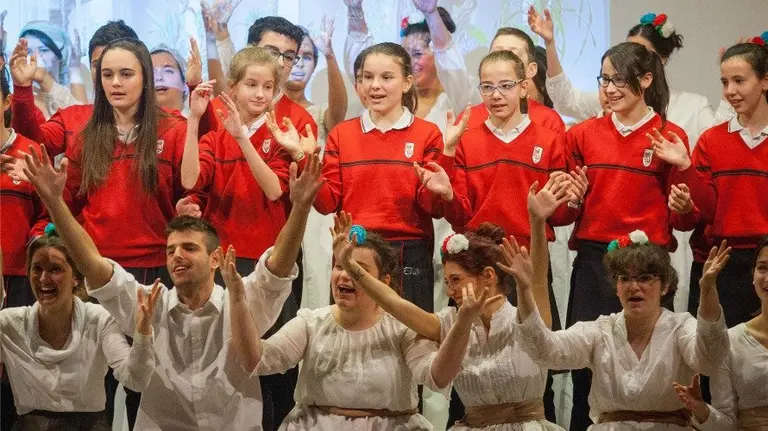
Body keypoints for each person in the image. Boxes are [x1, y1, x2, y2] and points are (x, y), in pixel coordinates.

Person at [23, 140, 321, 430]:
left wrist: (301, 208)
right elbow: (93, 265)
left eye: (189, 248)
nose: (177, 255)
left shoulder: (240, 300)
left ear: (215, 258)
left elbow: (278, 267)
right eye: (170, 250)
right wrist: (54, 202)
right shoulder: (150, 304)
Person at [326, 176, 570, 430]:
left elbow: (539, 280)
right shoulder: (449, 323)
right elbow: (394, 304)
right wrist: (351, 267)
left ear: (487, 276)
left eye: (456, 280)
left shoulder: (526, 318)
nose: (450, 290)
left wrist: (537, 220)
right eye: (446, 281)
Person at [224, 211, 486, 430]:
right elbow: (255, 360)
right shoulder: (311, 322)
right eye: (339, 266)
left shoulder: (402, 329)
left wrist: (461, 326)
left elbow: (437, 377)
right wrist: (237, 301)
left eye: (356, 268)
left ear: (382, 282)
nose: (344, 275)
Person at [563, 41, 698, 429]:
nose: (609, 88)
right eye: (604, 79)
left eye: (618, 79)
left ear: (646, 79)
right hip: (593, 262)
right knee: (584, 366)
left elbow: (686, 221)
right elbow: (563, 209)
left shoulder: (669, 136)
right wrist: (571, 200)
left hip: (647, 264)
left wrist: (684, 172)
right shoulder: (583, 135)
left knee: (658, 362)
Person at [513, 222, 730, 430]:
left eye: (645, 278)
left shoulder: (681, 327)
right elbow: (546, 352)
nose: (633, 287)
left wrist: (708, 290)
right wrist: (524, 289)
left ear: (664, 286)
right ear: (616, 287)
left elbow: (709, 360)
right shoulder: (600, 331)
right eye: (624, 279)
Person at [0, 224, 159, 430]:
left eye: (55, 269)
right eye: (36, 269)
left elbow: (135, 380)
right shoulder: (9, 324)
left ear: (76, 277)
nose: (43, 279)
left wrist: (143, 334)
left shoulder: (100, 320)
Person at [657, 38, 768, 328]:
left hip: (765, 261)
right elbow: (703, 212)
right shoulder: (712, 139)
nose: (730, 91)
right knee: (712, 359)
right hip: (719, 263)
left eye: (739, 81)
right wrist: (685, 180)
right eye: (724, 82)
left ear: (765, 81)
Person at [181, 46, 296, 276]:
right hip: (219, 252)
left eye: (267, 87)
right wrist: (194, 118)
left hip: (267, 255)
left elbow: (274, 191)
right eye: (251, 84)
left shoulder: (281, 135)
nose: (260, 94)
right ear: (232, 88)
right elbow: (189, 181)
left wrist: (242, 138)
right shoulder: (215, 138)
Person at [282, 20, 348, 309]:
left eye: (307, 57)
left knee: (315, 285)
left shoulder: (320, 113)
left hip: (314, 212)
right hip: (275, 207)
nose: (298, 64)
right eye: (292, 56)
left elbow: (339, 109)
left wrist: (331, 55)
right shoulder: (262, 107)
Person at [674, 236, 768, 430]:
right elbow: (725, 423)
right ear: (752, 275)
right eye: (763, 268)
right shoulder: (732, 341)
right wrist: (701, 409)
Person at [9, 20, 139, 155]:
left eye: (124, 71)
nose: (111, 78)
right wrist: (22, 88)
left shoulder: (161, 125)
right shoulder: (74, 118)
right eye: (98, 65)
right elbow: (32, 142)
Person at [0, 66, 45, 308]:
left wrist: (35, 238)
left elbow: (47, 213)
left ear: (7, 101)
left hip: (18, 276)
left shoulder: (31, 152)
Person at [18, 21, 88, 117]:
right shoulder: (21, 99)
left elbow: (83, 119)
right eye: (28, 51)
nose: (35, 56)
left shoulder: (67, 94)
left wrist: (75, 70)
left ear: (60, 55)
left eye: (43, 50)